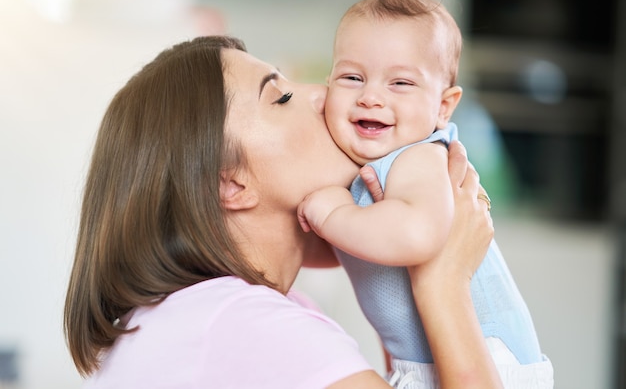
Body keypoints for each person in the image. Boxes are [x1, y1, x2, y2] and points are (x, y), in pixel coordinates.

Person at [63, 35, 502, 388]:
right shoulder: (246, 325)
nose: (324, 95)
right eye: (282, 97)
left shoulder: (215, 315)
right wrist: (442, 278)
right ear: (229, 182)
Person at [297, 0, 554, 388]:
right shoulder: (370, 163)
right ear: (328, 84)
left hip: (486, 358)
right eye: (352, 77)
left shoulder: (418, 157)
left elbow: (415, 234)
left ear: (442, 108)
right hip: (430, 357)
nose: (371, 97)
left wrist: (334, 215)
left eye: (400, 83)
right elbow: (350, 250)